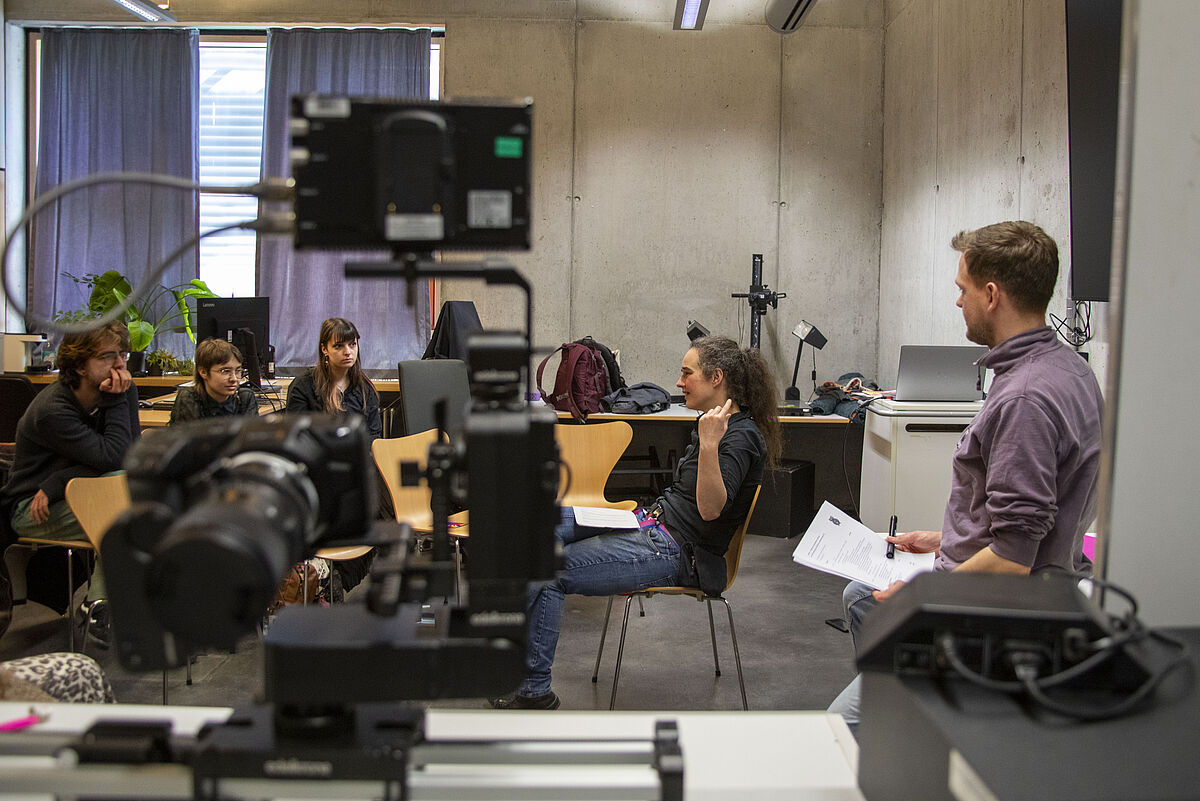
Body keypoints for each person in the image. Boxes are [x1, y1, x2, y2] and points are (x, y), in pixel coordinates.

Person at [828, 220, 1104, 729]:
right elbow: (1032, 517)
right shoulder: (1068, 369)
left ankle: (913, 723)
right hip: (1042, 579)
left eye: (963, 290)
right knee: (858, 595)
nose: (959, 302)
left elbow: (1013, 557)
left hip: (1000, 611)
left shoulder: (1025, 398)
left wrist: (921, 596)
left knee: (840, 728)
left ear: (992, 294)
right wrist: (941, 538)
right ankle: (914, 714)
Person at [491, 335, 781, 710]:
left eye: (686, 373)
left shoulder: (739, 437)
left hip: (676, 552)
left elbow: (710, 511)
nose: (678, 382)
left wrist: (709, 445)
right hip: (648, 523)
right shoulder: (711, 423)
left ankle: (530, 688)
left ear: (716, 378)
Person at [0, 321, 141, 644]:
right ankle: (100, 606)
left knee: (130, 495)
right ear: (79, 365)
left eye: (123, 354)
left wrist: (59, 479)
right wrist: (119, 400)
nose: (120, 365)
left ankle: (97, 605)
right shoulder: (53, 410)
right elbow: (114, 459)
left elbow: (127, 461)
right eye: (108, 357)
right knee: (126, 514)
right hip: (33, 508)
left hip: (75, 494)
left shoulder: (119, 389)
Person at [284, 318, 381, 594]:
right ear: (324, 349)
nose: (348, 351)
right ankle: (327, 580)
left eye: (352, 344)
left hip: (356, 474)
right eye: (339, 346)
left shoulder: (365, 389)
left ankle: (333, 583)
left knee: (381, 516)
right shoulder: (304, 387)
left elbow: (375, 437)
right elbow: (298, 438)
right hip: (316, 474)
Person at [168, 338, 258, 424]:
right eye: (225, 371)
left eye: (238, 371)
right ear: (203, 372)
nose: (234, 379)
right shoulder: (188, 399)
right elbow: (183, 438)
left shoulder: (245, 398)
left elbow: (252, 437)